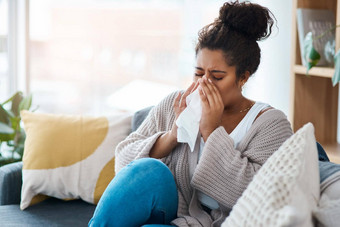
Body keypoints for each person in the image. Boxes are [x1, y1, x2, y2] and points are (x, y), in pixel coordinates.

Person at [88, 1, 293, 226]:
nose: (204, 84)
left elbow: (258, 196)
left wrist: (211, 131)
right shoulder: (175, 104)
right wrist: (172, 136)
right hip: (171, 209)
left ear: (243, 77)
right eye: (198, 73)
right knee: (151, 169)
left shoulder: (270, 124)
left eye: (217, 76)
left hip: (216, 222)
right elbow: (124, 165)